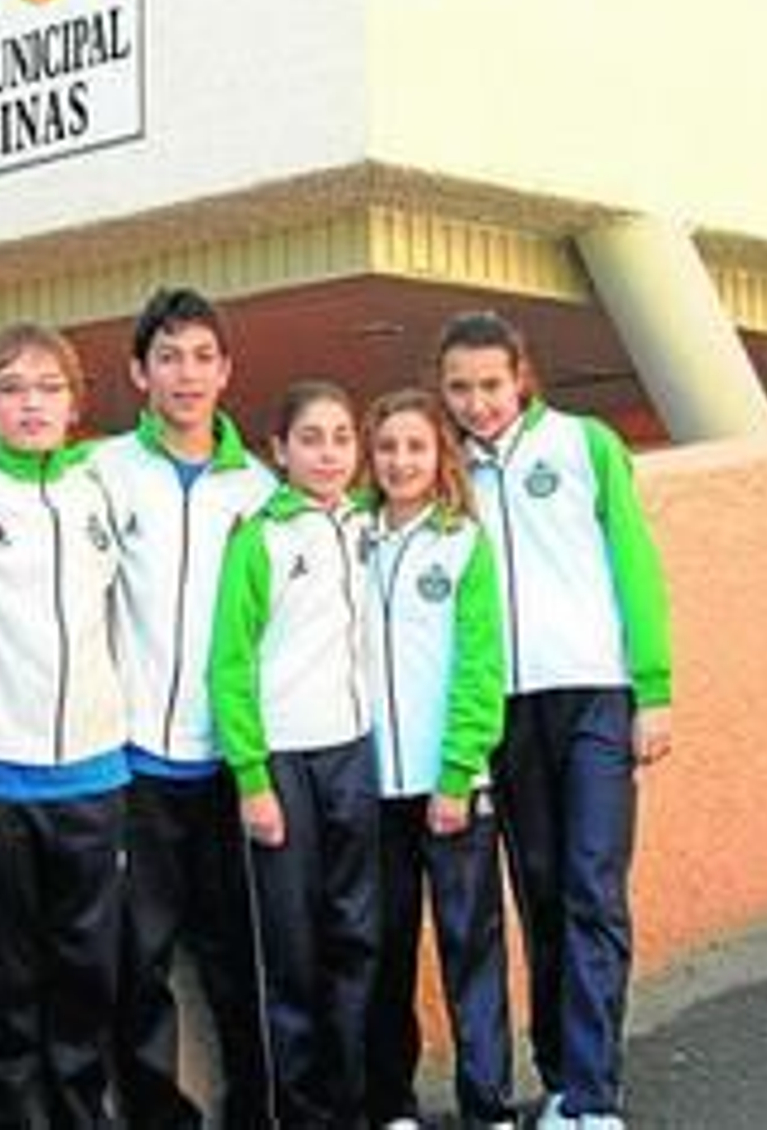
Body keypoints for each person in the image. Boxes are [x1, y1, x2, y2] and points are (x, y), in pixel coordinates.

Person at [436, 311, 674, 1130]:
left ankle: (597, 1093)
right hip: (503, 709)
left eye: (491, 384)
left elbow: (634, 562)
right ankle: (563, 1078)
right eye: (459, 388)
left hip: (596, 694)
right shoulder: (444, 467)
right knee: (539, 893)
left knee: (592, 887)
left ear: (522, 377)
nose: (477, 403)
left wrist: (654, 688)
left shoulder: (585, 445)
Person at [92, 286, 277, 1129]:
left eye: (203, 356)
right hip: (135, 763)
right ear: (140, 372)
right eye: (168, 356)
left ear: (227, 370)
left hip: (236, 767)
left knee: (243, 959)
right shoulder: (103, 473)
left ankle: (257, 1113)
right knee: (138, 965)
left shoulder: (264, 489)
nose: (187, 374)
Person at [0, 324, 129, 1128]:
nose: (32, 403)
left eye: (50, 387)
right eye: (13, 388)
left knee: (87, 972)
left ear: (74, 401)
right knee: (8, 981)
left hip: (95, 773)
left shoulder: (101, 488)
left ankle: (81, 1115)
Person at [207, 380, 381, 1128]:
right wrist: (252, 777)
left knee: (356, 938)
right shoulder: (260, 536)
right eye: (311, 438)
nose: (329, 453)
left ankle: (353, 1104)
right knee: (291, 948)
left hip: (354, 755)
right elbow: (230, 662)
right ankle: (300, 1113)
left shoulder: (371, 527)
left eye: (342, 437)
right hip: (280, 763)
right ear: (279, 451)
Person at [356, 389, 514, 1130]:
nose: (400, 461)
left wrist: (457, 773)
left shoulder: (462, 544)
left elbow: (479, 670)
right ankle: (393, 1106)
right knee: (384, 954)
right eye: (386, 447)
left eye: (415, 446)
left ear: (439, 456)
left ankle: (488, 1107)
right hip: (369, 792)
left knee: (469, 951)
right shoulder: (350, 537)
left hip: (452, 791)